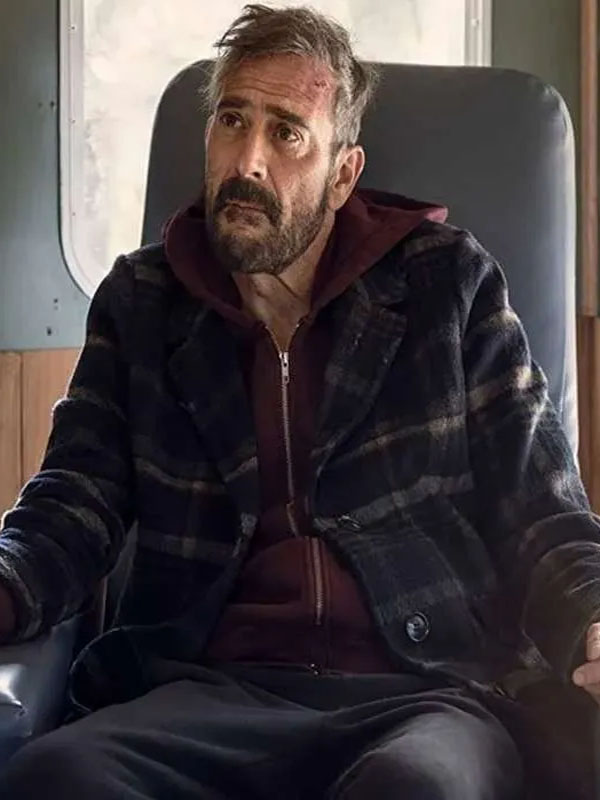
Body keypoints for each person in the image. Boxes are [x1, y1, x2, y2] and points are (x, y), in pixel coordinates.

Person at [0, 4, 599, 798]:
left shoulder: (447, 285)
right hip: (203, 689)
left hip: (421, 690)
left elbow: (541, 509)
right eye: (232, 121)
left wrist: (593, 620)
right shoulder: (142, 302)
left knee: (420, 789)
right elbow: (72, 502)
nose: (248, 161)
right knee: (57, 775)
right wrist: (7, 582)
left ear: (343, 174)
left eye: (286, 133)